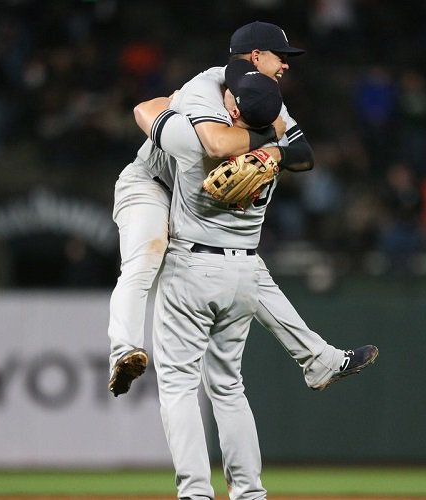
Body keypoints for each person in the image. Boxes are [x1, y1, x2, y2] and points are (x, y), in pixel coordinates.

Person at [107, 21, 378, 397]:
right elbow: (203, 137)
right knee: (145, 258)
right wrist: (269, 138)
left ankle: (319, 359)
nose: (286, 65)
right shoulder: (206, 87)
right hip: (153, 185)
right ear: (256, 56)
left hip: (194, 202)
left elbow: (304, 155)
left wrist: (273, 150)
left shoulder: (266, 98)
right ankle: (124, 350)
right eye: (280, 57)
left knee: (248, 268)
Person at [134, 61, 285, 500]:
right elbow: (287, 144)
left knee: (179, 385)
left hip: (194, 266)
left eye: (231, 96)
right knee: (229, 386)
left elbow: (145, 110)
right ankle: (250, 493)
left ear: (235, 110)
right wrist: (271, 142)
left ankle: (196, 492)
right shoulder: (278, 154)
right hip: (244, 272)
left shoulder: (195, 141)